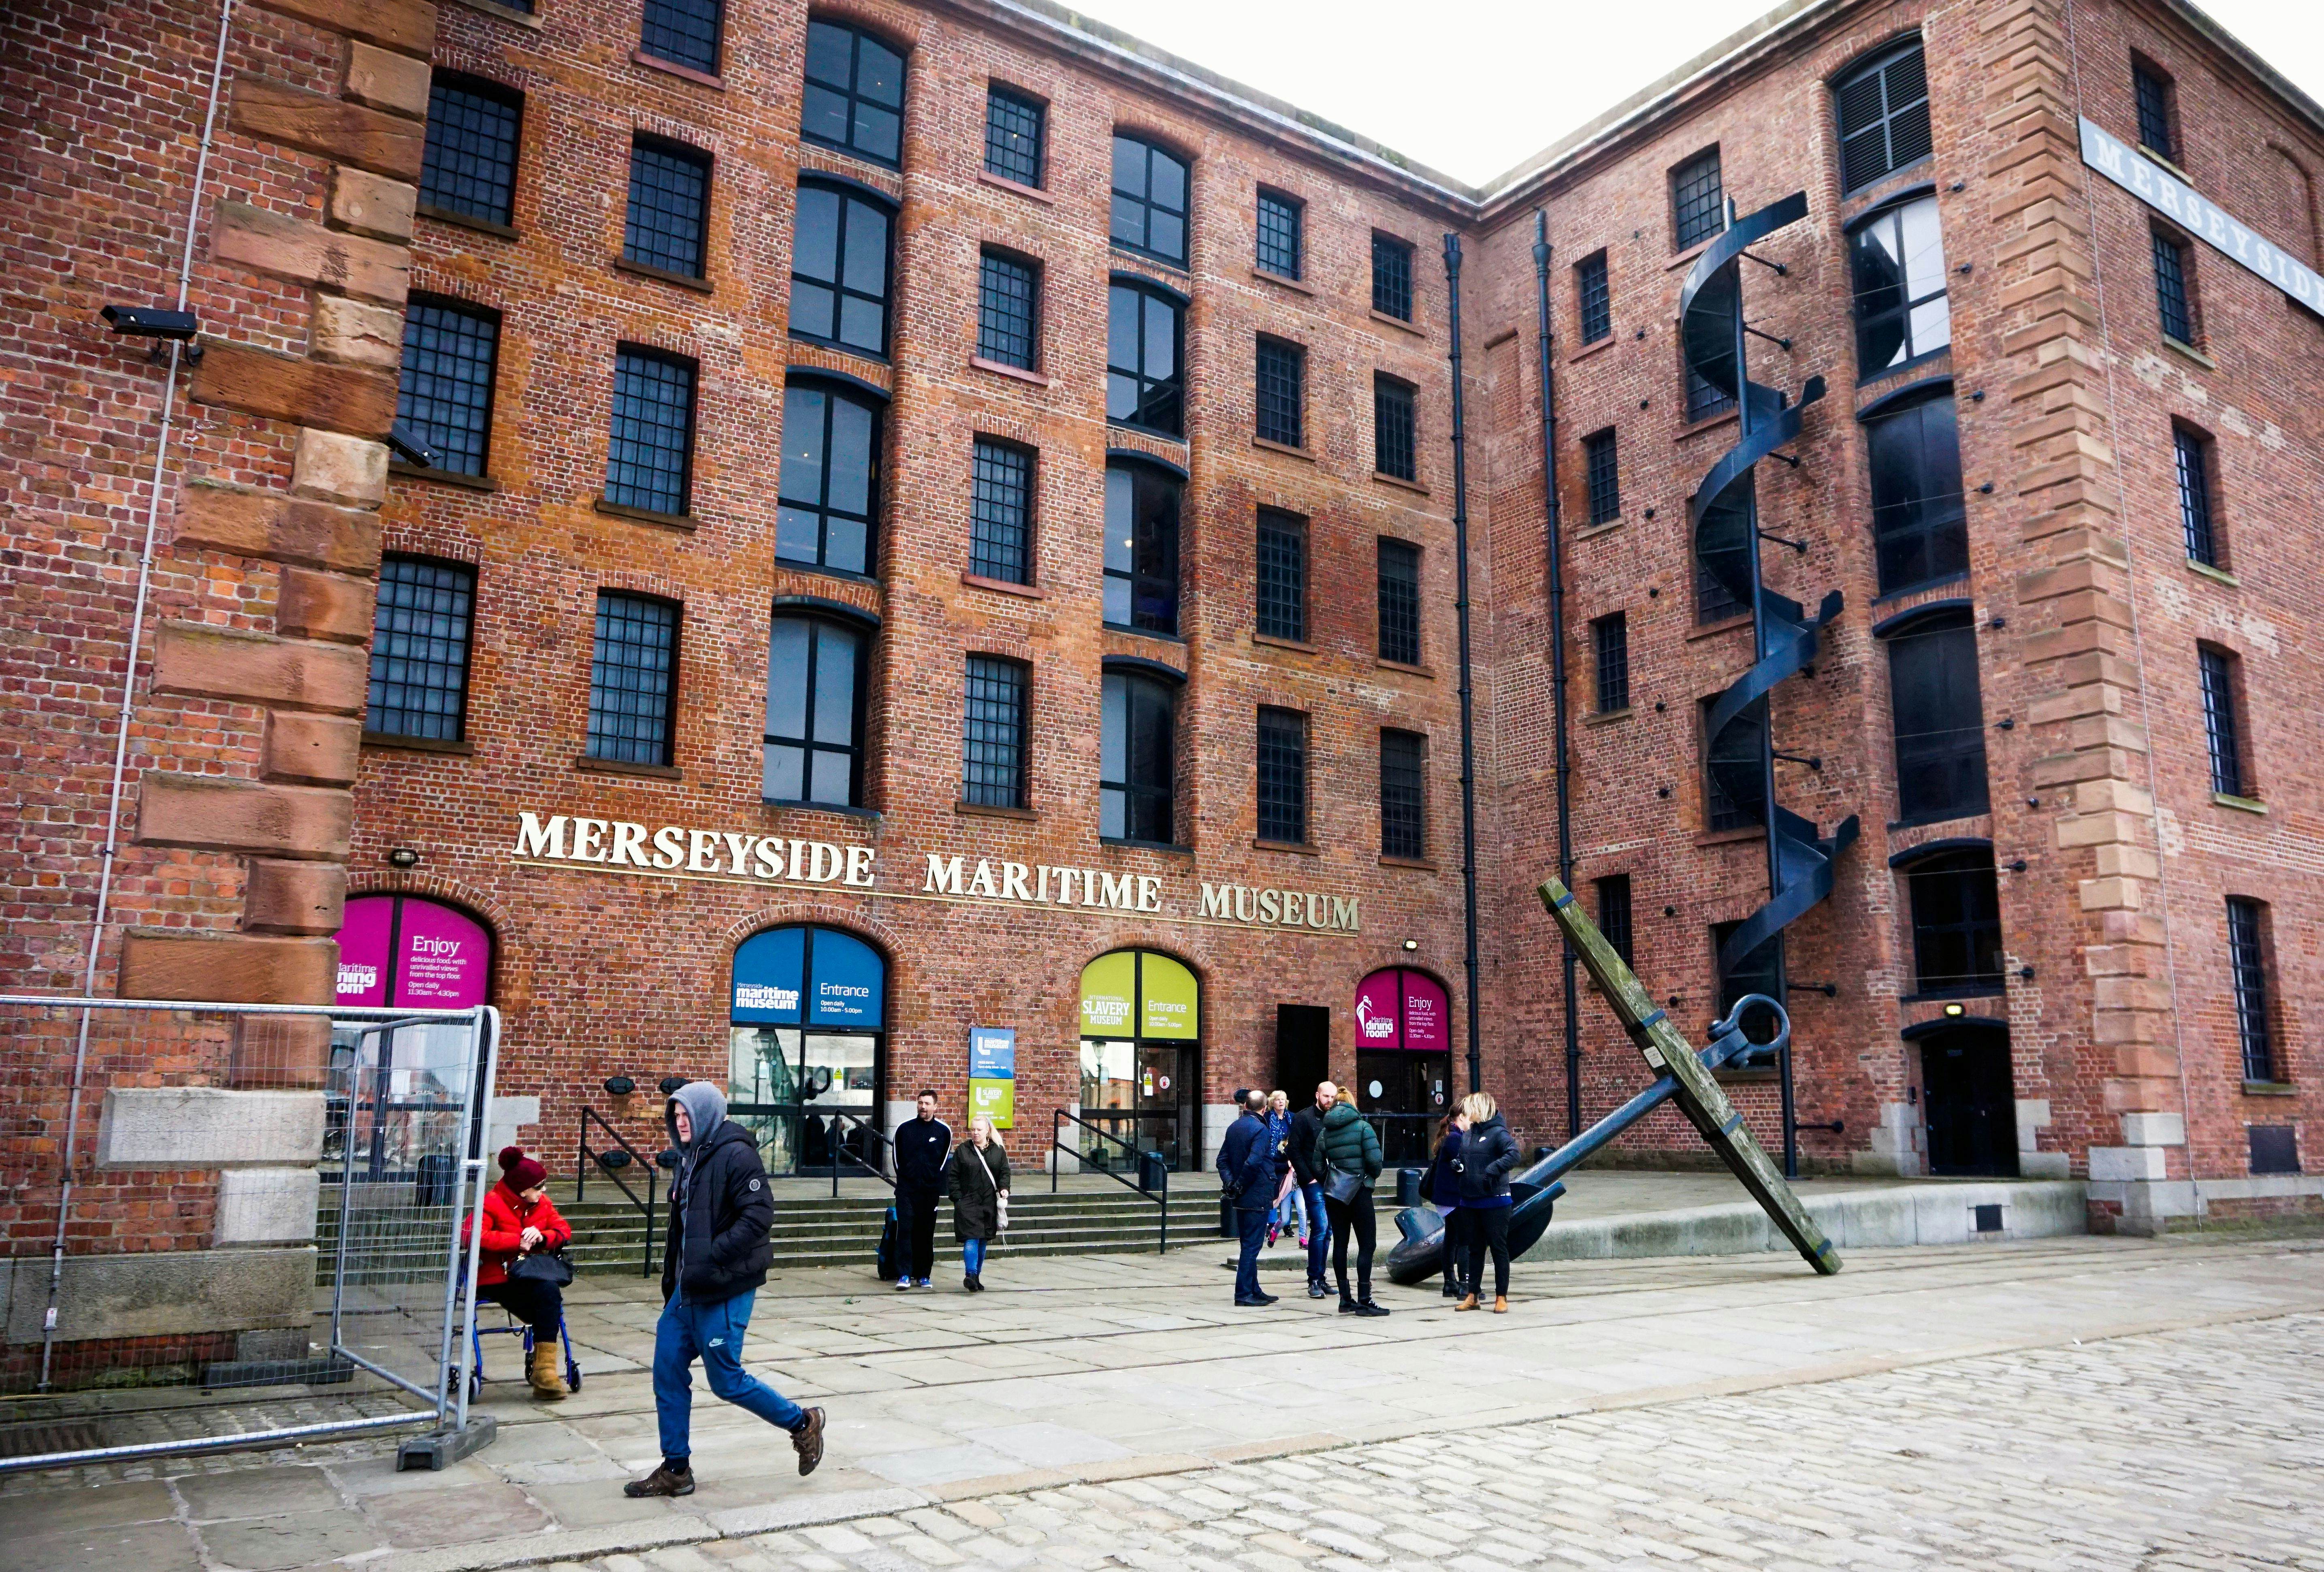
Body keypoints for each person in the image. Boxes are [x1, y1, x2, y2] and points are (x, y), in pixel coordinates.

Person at [626, 1082, 824, 1498]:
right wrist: (674, 1277)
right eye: (675, 1116)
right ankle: (676, 1468)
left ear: (706, 1115)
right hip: (686, 1291)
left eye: (687, 1116)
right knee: (666, 1369)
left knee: (726, 1380)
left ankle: (802, 1422)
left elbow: (759, 1215)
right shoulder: (687, 1159)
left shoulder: (737, 1153)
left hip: (724, 1286)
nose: (680, 1123)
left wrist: (713, 1255)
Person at [464, 1145, 574, 1399]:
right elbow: (470, 1235)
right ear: (522, 1189)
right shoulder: (491, 1202)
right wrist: (516, 1241)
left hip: (531, 1273)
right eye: (539, 1186)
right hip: (497, 1277)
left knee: (549, 1291)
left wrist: (542, 1237)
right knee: (546, 1302)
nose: (544, 1190)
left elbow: (563, 1231)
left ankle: (545, 1371)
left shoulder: (542, 1203)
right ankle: (543, 1369)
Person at [1319, 1091, 1389, 1316]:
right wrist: (1368, 1179)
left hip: (1335, 1194)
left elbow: (1317, 1165)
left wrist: (1332, 1179)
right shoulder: (1363, 1128)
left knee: (1340, 1244)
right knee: (1367, 1245)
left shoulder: (1325, 1132)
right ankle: (1365, 1300)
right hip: (1359, 1192)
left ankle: (1345, 1299)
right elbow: (1375, 1162)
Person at [1453, 1091, 1518, 1314]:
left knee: (1499, 1249)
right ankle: (1473, 1296)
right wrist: (1459, 1165)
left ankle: (1501, 1297)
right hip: (1470, 1200)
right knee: (1475, 1250)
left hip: (1495, 1201)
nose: (1465, 1113)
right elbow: (1467, 1157)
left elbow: (1513, 1155)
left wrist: (1492, 1171)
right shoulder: (1469, 1134)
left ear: (1479, 1109)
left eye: (1469, 1108)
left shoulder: (1499, 1133)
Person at [1215, 1088, 1277, 1307]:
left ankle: (1254, 1289)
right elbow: (1254, 1162)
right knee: (1252, 1246)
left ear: (1245, 1106)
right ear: (1264, 1108)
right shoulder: (1260, 1129)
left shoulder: (1235, 1127)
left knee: (1248, 1244)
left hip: (1243, 1196)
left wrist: (1230, 1184)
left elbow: (1221, 1161)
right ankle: (1243, 1293)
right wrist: (1239, 1185)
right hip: (1256, 1194)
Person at [892, 1089, 951, 1290]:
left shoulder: (943, 1131)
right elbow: (897, 1160)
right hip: (907, 1191)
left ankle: (924, 1274)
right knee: (905, 1230)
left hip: (929, 1193)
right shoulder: (904, 1129)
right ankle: (905, 1274)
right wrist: (906, 1182)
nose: (923, 1107)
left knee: (926, 1233)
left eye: (927, 1103)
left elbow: (943, 1162)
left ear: (935, 1106)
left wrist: (933, 1184)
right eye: (920, 1103)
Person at [946, 1113, 1010, 1292]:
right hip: (967, 1202)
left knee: (983, 1241)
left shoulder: (998, 1151)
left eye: (979, 1130)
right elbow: (953, 1176)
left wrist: (1004, 1188)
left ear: (988, 1130)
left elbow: (1004, 1173)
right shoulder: (963, 1150)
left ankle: (976, 1276)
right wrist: (957, 1198)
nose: (975, 1133)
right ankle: (971, 1274)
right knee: (971, 1239)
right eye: (973, 1129)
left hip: (988, 1202)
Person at [1286, 1082, 1335, 1299]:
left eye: (1333, 1097)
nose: (1329, 1101)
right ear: (1317, 1095)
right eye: (1326, 1096)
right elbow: (1293, 1150)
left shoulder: (1334, 1118)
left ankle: (1321, 1277)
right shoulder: (1303, 1118)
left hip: (1333, 1181)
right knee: (1321, 1228)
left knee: (1328, 1232)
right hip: (1313, 1181)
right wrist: (1309, 1179)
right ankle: (1314, 1279)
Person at [1424, 1109, 1467, 1300]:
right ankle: (1465, 1284)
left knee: (1452, 1238)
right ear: (1461, 1118)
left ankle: (1450, 1283)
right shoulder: (1455, 1138)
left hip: (1446, 1198)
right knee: (1465, 1239)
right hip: (1451, 1198)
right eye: (1470, 1118)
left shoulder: (1450, 1135)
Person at [1262, 1090, 1294, 1246]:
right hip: (1273, 1160)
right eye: (1278, 1100)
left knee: (1288, 1192)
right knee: (1274, 1193)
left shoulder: (1291, 1118)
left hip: (1288, 1161)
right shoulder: (1268, 1118)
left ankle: (1287, 1224)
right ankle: (1272, 1223)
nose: (1281, 1102)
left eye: (1283, 1099)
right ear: (1272, 1102)